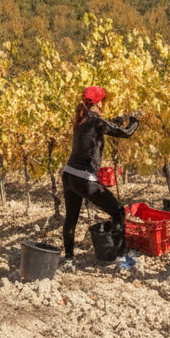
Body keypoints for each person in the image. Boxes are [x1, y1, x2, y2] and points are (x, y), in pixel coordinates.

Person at [61, 86, 141, 261]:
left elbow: (107, 124)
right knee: (118, 212)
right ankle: (121, 257)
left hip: (69, 175)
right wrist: (136, 120)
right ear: (100, 102)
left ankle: (68, 258)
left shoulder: (82, 119)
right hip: (83, 179)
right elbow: (126, 133)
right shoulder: (95, 120)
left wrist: (122, 118)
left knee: (71, 218)